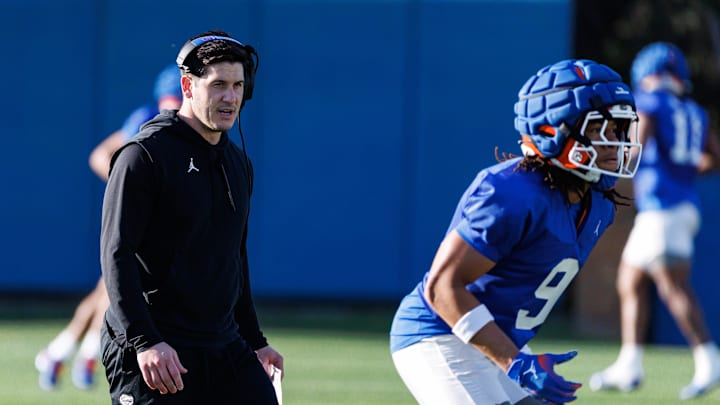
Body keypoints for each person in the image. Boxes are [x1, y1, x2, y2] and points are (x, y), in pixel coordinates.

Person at [389, 59, 643, 405]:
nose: (616, 142)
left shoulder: (597, 201)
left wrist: (513, 357)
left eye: (619, 129)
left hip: (499, 341)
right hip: (441, 335)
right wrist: (515, 363)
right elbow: (442, 287)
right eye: (603, 129)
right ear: (556, 130)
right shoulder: (511, 194)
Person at [100, 30, 283, 404]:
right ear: (187, 85)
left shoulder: (238, 163)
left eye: (237, 85)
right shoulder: (144, 155)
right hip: (155, 347)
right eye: (218, 85)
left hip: (222, 343)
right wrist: (146, 341)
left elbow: (235, 260)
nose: (230, 97)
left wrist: (256, 341)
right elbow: (116, 254)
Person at [34, 64, 183, 391]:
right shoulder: (147, 117)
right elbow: (103, 156)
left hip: (155, 226)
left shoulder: (188, 126)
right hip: (134, 221)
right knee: (114, 285)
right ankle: (81, 354)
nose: (173, 106)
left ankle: (61, 353)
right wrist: (127, 188)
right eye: (170, 99)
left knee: (106, 290)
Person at [589, 42, 720, 400]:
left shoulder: (648, 104)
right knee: (630, 279)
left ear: (647, 75)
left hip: (664, 207)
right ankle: (629, 363)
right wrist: (682, 170)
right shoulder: (694, 110)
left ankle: (709, 358)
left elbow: (636, 147)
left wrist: (609, 178)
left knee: (671, 284)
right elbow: (713, 158)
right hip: (677, 206)